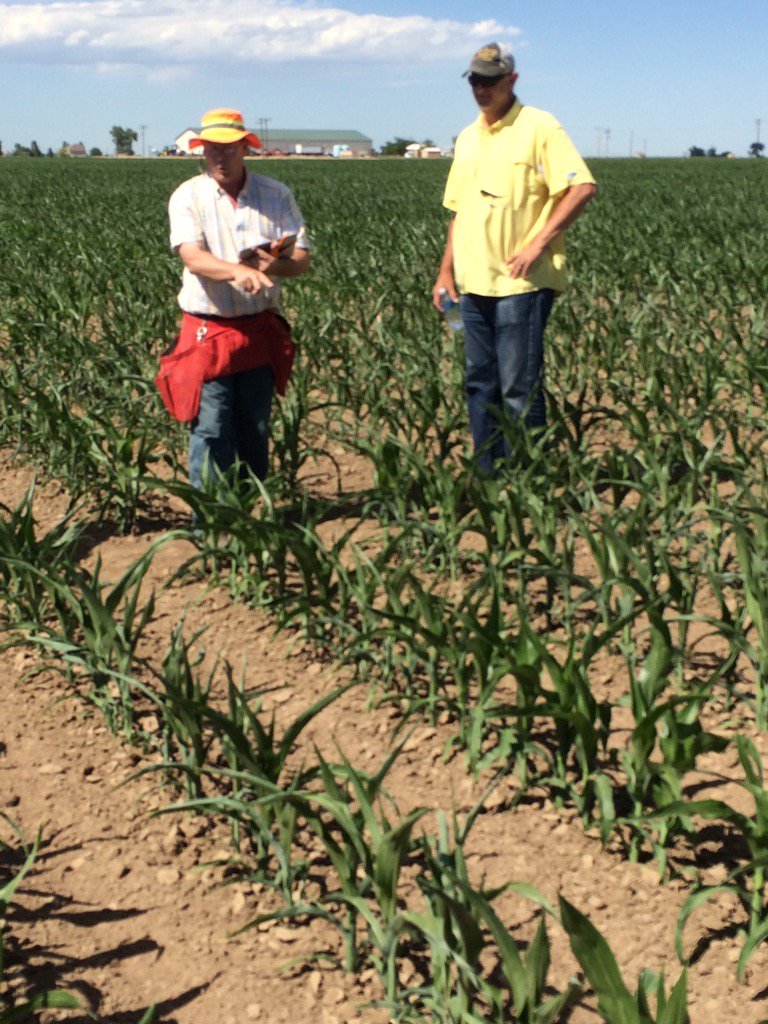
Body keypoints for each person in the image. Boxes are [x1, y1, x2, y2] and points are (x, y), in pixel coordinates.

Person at [433, 43, 596, 474]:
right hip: (472, 284)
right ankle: (488, 474)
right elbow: (458, 209)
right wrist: (445, 272)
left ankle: (531, 479)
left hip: (521, 285)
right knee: (479, 384)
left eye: (490, 80)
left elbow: (580, 188)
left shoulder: (539, 126)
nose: (481, 89)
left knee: (519, 389)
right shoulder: (468, 137)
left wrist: (538, 243)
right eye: (474, 80)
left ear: (512, 80)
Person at [165, 107, 311, 489]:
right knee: (211, 427)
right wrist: (238, 271)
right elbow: (191, 256)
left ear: (246, 148)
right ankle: (210, 522)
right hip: (208, 332)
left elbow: (301, 259)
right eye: (211, 148)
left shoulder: (276, 195)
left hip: (258, 332)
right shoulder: (188, 196)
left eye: (228, 148)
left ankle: (250, 513)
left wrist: (272, 267)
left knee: (255, 427)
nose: (219, 156)